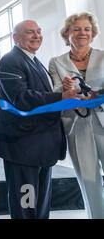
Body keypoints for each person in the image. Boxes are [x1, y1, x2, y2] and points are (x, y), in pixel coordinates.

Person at [0, 20, 77, 219]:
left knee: (40, 208)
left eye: (39, 32)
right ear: (15, 38)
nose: (37, 36)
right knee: (27, 207)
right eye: (30, 32)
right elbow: (21, 98)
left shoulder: (34, 60)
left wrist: (62, 91)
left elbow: (41, 95)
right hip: (23, 147)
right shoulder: (10, 61)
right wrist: (60, 97)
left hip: (41, 145)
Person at [49, 12, 104, 219]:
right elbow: (55, 92)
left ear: (93, 33)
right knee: (89, 181)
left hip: (103, 120)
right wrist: (64, 89)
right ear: (67, 33)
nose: (83, 33)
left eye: (87, 29)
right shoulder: (56, 62)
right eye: (77, 29)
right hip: (76, 125)